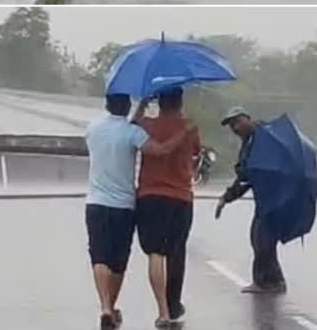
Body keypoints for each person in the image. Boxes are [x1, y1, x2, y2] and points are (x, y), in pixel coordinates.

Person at [85, 94, 197, 330]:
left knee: (101, 256)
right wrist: (185, 132)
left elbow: (130, 126)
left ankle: (107, 307)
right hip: (137, 203)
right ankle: (166, 310)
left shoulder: (95, 128)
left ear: (107, 104)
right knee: (125, 261)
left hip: (104, 201)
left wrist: (142, 107)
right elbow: (164, 149)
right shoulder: (136, 132)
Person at [134, 87, 200, 325]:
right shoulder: (189, 126)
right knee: (177, 250)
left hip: (150, 195)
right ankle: (173, 304)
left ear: (159, 102)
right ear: (180, 102)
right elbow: (195, 152)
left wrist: (142, 104)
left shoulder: (147, 125)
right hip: (181, 197)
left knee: (155, 252)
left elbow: (132, 124)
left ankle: (161, 307)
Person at [215, 106, 286, 294]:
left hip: (275, 197)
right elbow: (246, 176)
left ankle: (265, 281)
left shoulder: (264, 138)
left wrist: (228, 196)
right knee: (261, 238)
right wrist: (227, 197)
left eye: (237, 122)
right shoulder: (250, 142)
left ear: (248, 118)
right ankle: (275, 280)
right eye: (231, 125)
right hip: (265, 198)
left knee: (261, 238)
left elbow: (249, 174)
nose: (235, 128)